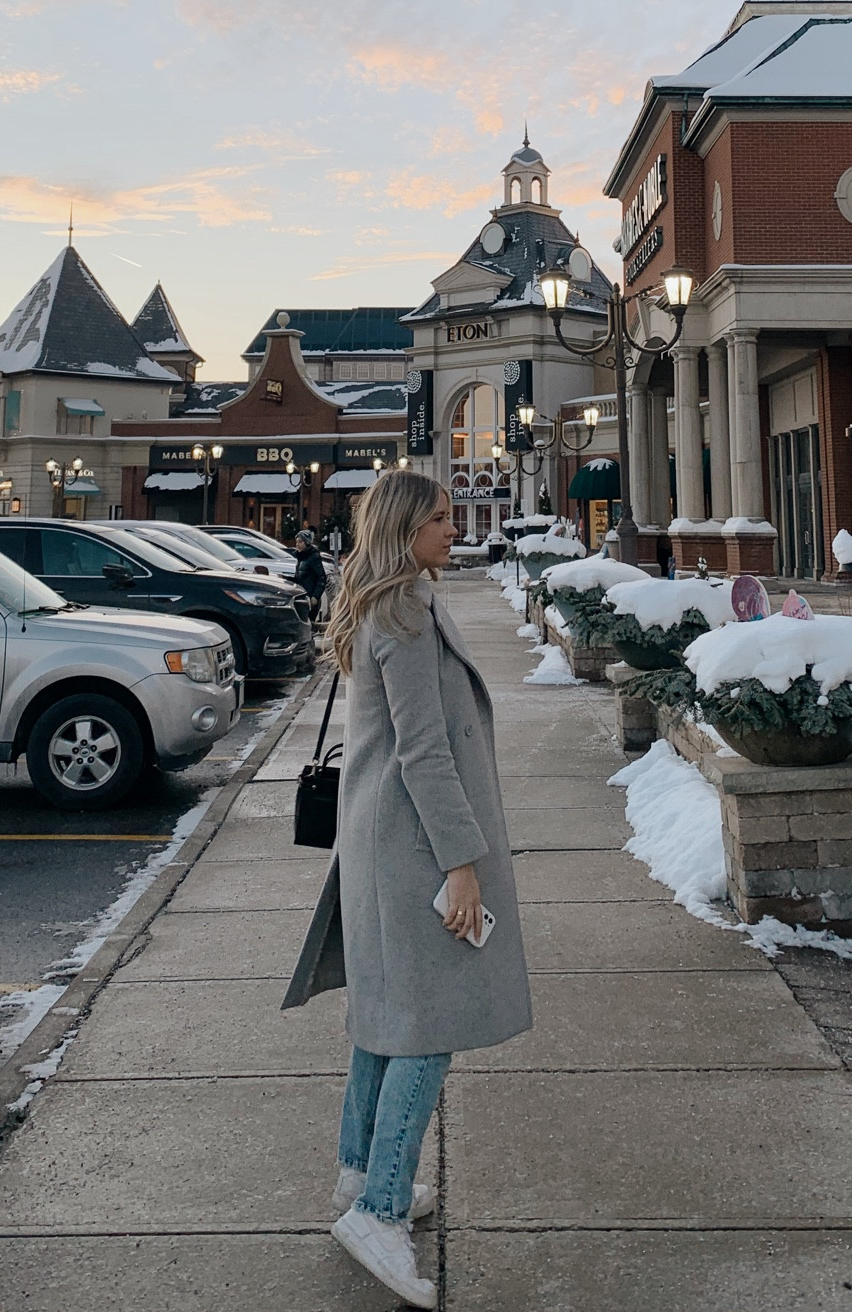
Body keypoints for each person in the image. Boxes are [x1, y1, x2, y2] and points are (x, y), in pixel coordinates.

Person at [283, 470, 532, 1309]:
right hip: (415, 847)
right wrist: (461, 862)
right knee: (427, 1025)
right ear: (402, 528)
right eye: (438, 520)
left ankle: (359, 1180)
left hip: (380, 839)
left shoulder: (386, 601)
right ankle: (380, 1210)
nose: (452, 531)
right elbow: (425, 753)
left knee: (384, 1020)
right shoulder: (406, 613)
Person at [293, 528, 329, 620]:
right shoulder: (300, 557)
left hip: (310, 599)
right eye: (296, 542)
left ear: (307, 543)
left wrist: (315, 597)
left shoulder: (313, 557)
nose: (297, 545)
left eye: (300, 542)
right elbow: (298, 578)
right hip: (301, 598)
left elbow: (321, 578)